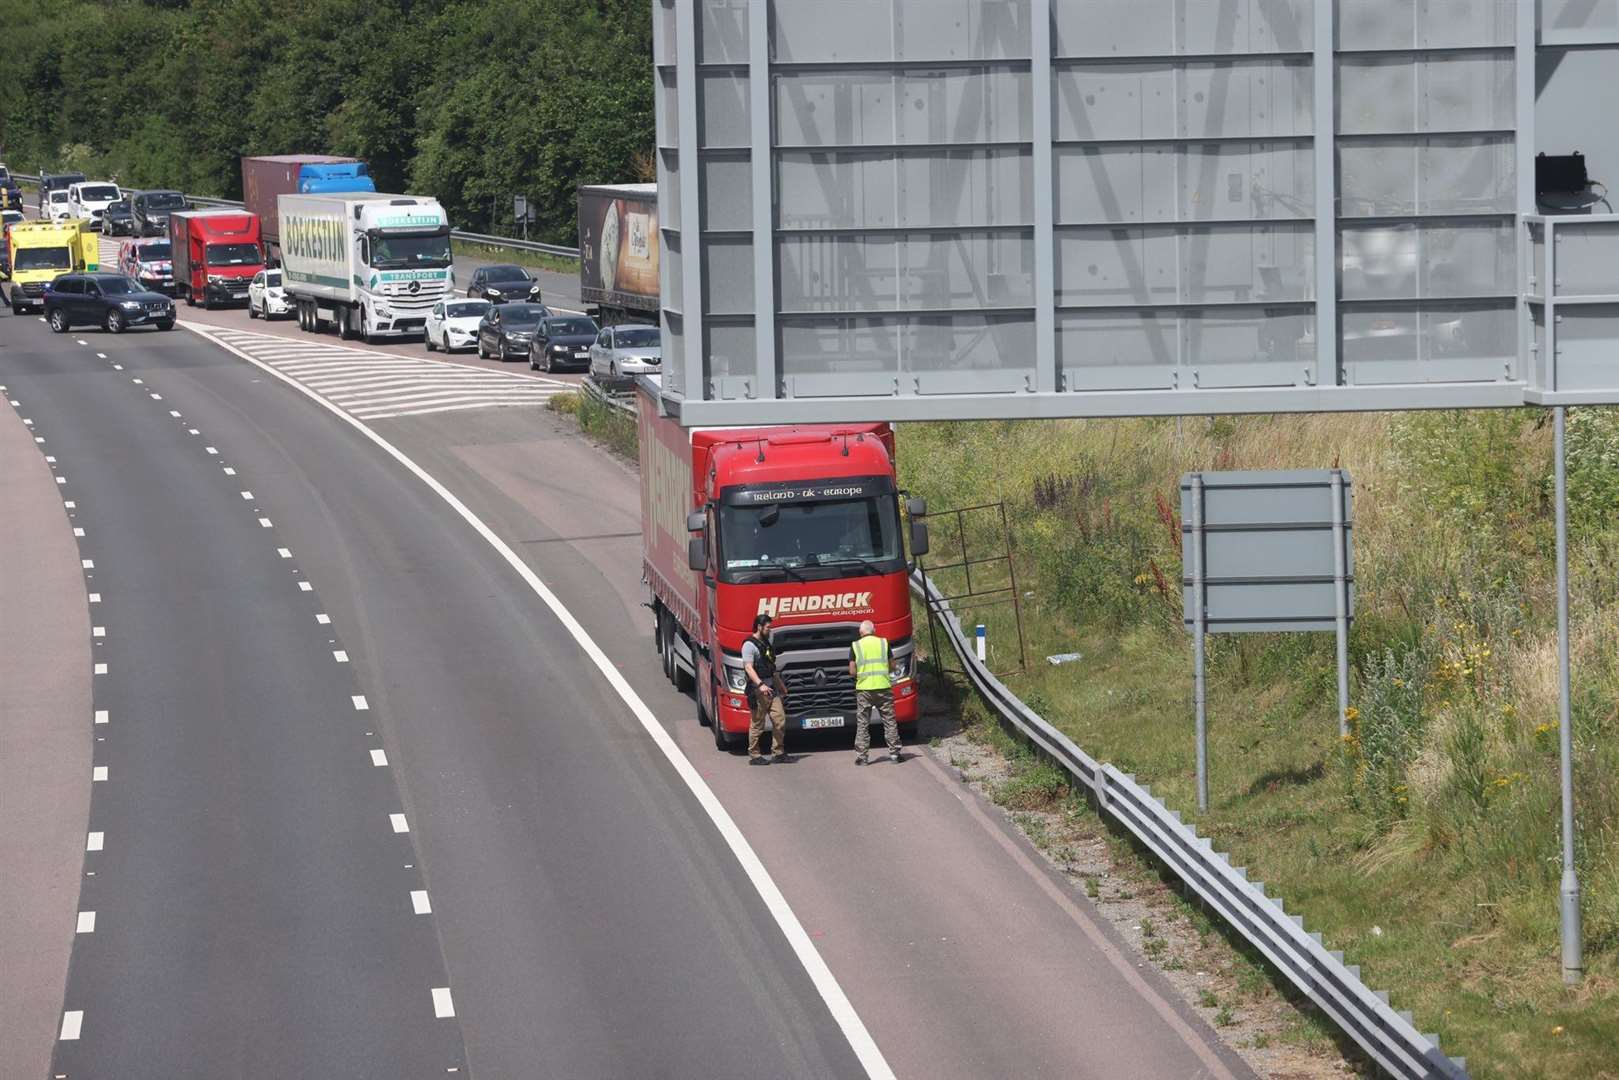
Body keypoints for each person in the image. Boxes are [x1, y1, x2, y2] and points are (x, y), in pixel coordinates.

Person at [850, 619, 901, 765]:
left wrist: (860, 676)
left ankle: (862, 757)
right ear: (874, 630)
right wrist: (885, 672)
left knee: (863, 723)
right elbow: (893, 665)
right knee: (889, 721)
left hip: (864, 690)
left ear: (861, 632)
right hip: (883, 687)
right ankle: (895, 755)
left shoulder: (856, 645)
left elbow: (852, 670)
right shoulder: (883, 643)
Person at [743, 613, 789, 765]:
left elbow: (771, 668)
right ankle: (755, 755)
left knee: (780, 719)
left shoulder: (766, 644)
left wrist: (780, 685)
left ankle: (778, 752)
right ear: (759, 627)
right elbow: (748, 668)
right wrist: (760, 685)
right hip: (758, 691)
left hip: (771, 688)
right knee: (757, 724)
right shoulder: (749, 645)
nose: (770, 630)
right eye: (768, 627)